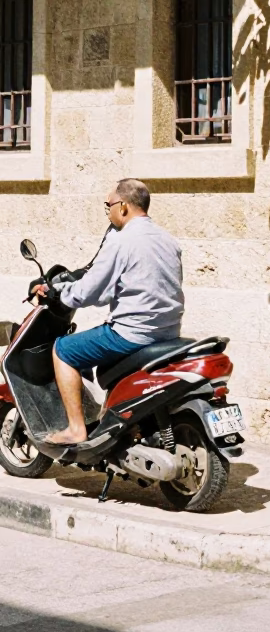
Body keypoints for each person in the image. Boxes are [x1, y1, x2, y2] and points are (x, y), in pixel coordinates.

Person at [36, 178, 185, 446]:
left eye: (109, 205)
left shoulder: (121, 240)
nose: (108, 212)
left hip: (132, 334)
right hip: (168, 333)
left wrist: (58, 293)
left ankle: (75, 429)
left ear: (123, 206)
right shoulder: (168, 240)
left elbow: (87, 292)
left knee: (63, 350)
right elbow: (112, 290)